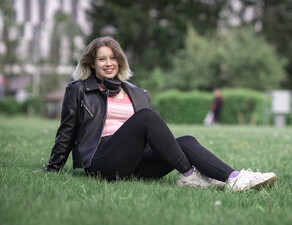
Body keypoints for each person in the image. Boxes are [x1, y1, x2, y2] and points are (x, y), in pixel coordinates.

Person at [44, 36, 276, 191]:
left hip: (135, 164)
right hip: (101, 162)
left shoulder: (137, 93)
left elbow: (152, 137)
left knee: (185, 141)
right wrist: (53, 168)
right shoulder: (79, 90)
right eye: (102, 59)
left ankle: (234, 178)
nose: (108, 63)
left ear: (120, 61)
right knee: (146, 118)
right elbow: (67, 131)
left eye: (113, 58)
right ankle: (190, 175)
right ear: (92, 63)